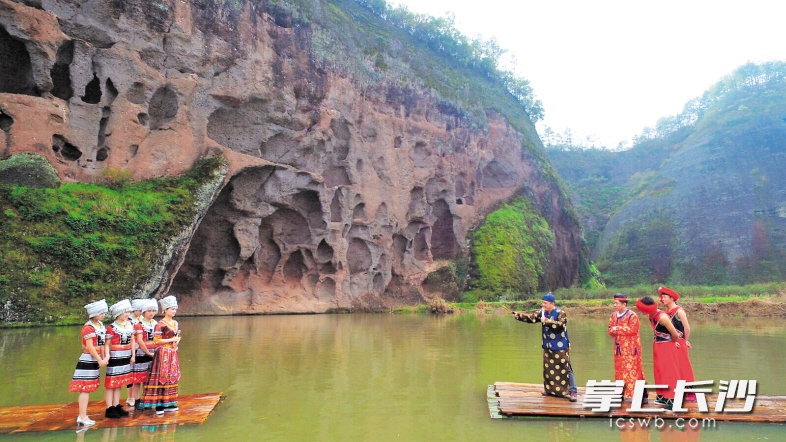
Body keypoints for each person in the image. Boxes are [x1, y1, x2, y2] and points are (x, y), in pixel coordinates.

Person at [513, 292, 578, 402]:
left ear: (552, 304)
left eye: (545, 303)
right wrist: (519, 316)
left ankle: (572, 391)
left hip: (560, 345)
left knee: (566, 368)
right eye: (542, 303)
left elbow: (561, 324)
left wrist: (547, 321)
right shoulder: (542, 313)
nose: (543, 305)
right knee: (549, 368)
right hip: (548, 345)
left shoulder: (560, 313)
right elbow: (531, 318)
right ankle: (550, 390)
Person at [635, 292, 694, 410]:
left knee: (669, 372)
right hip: (658, 345)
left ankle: (673, 399)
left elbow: (675, 334)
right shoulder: (651, 315)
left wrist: (674, 342)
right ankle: (662, 395)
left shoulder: (662, 317)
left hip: (667, 346)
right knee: (659, 370)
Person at [69, 299, 110, 427]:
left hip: (95, 357)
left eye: (104, 312)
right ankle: (82, 416)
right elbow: (90, 346)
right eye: (101, 312)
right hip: (88, 358)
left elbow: (102, 343)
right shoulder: (88, 327)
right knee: (85, 388)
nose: (103, 314)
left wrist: (104, 357)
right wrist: (99, 359)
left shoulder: (100, 325)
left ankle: (83, 415)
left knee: (88, 388)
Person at [140, 295, 182, 416]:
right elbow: (156, 340)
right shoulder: (160, 324)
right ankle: (159, 404)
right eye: (171, 309)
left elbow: (178, 335)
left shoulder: (175, 322)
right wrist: (171, 340)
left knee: (171, 376)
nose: (174, 311)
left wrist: (176, 341)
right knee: (161, 377)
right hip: (162, 353)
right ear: (165, 310)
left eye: (175, 309)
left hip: (172, 352)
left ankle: (169, 402)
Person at [607, 293, 647, 403]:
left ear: (624, 304)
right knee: (619, 372)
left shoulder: (632, 316)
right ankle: (620, 393)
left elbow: (632, 330)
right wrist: (614, 330)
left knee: (633, 371)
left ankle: (636, 395)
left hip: (631, 349)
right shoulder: (613, 315)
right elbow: (610, 329)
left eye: (617, 303)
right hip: (619, 349)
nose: (614, 305)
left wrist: (617, 329)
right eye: (614, 303)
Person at [104, 299, 136, 418]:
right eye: (125, 312)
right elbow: (107, 343)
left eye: (128, 312)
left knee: (120, 383)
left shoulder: (130, 325)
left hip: (126, 354)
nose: (127, 314)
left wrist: (133, 355)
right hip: (115, 355)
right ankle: (109, 407)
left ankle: (116, 405)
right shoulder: (111, 327)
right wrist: (107, 356)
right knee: (111, 383)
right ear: (118, 313)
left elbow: (133, 340)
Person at [131, 299, 158, 411]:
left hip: (155, 351)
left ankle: (148, 399)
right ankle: (137, 400)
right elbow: (140, 341)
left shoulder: (157, 323)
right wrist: (148, 352)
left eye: (153, 311)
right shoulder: (139, 325)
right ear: (144, 312)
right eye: (149, 311)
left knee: (151, 377)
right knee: (138, 378)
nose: (151, 313)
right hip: (142, 352)